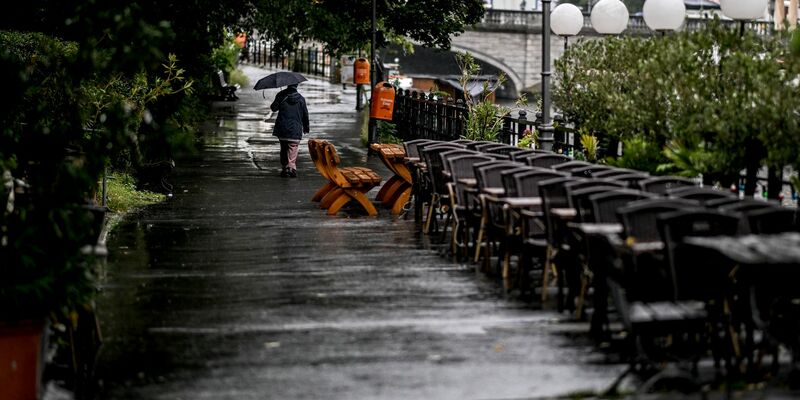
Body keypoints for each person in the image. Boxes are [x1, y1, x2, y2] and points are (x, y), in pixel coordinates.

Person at [270, 83, 309, 177]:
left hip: (282, 127)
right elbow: (305, 114)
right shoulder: (301, 99)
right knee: (293, 147)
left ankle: (284, 168)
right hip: (295, 128)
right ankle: (291, 168)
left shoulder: (281, 95)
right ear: (297, 85)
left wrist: (279, 97)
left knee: (283, 148)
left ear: (287, 85)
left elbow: (273, 108)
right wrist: (306, 127)